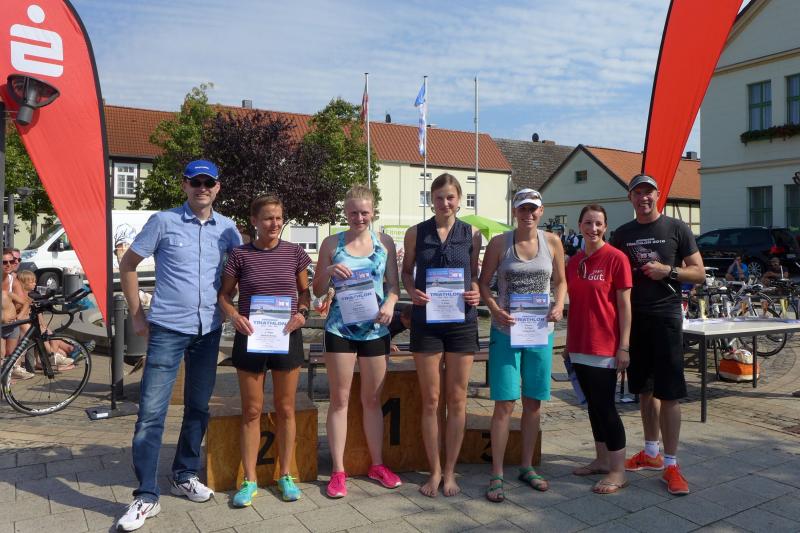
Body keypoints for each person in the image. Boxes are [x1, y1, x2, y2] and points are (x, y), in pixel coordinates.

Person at [116, 160, 242, 531]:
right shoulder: (163, 221)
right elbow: (128, 264)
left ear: (217, 187)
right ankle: (146, 495)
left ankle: (184, 474)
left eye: (208, 182)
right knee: (151, 413)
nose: (202, 187)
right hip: (168, 329)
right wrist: (138, 316)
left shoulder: (228, 228)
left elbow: (242, 271)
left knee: (198, 407)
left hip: (209, 330)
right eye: (195, 181)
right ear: (185, 185)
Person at [610, 174, 704, 496]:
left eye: (648, 192)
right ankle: (651, 453)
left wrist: (669, 271)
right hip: (635, 319)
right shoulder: (622, 234)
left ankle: (672, 465)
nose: (644, 198)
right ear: (631, 198)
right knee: (644, 390)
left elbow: (700, 273)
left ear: (658, 194)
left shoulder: (676, 228)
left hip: (666, 317)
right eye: (638, 193)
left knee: (670, 393)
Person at [219, 195, 311, 506]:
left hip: (286, 336)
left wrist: (302, 313)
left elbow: (304, 293)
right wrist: (234, 317)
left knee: (286, 409)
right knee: (252, 410)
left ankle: (286, 474)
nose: (275, 223)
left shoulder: (295, 253)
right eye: (268, 218)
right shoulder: (240, 255)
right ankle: (249, 480)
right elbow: (224, 295)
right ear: (254, 221)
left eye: (279, 217)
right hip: (251, 337)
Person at [313, 185, 402, 498]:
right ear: (345, 213)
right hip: (340, 330)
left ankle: (377, 465)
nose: (359, 217)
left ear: (373, 212)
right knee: (339, 400)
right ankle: (338, 471)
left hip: (375, 331)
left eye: (364, 212)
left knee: (372, 400)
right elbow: (316, 289)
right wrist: (327, 270)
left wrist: (391, 304)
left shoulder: (385, 243)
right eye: (353, 212)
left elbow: (394, 287)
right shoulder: (331, 243)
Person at [477, 188, 566, 502]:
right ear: (515, 211)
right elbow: (483, 283)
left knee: (533, 403)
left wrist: (560, 305)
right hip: (506, 331)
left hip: (540, 332)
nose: (528, 214)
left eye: (533, 209)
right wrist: (494, 309)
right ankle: (497, 473)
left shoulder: (552, 242)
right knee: (504, 404)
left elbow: (560, 281)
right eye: (522, 209)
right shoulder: (500, 243)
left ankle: (527, 466)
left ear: (541, 211)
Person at [401, 173, 482, 497]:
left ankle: (451, 472)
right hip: (427, 321)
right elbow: (406, 272)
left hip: (461, 320)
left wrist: (475, 290)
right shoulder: (415, 233)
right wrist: (412, 292)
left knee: (457, 398)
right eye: (439, 197)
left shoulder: (472, 233)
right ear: (431, 200)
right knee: (432, 399)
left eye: (450, 197)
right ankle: (434, 471)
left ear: (459, 200)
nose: (445, 203)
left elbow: (474, 274)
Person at [565, 204, 632, 494]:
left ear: (605, 227)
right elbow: (573, 304)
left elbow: (625, 306)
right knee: (592, 406)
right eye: (588, 223)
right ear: (580, 225)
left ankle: (619, 471)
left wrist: (624, 346)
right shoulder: (574, 262)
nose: (593, 228)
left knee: (606, 407)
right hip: (579, 344)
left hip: (605, 345)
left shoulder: (616, 258)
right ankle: (602, 460)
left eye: (598, 223)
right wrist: (568, 344)